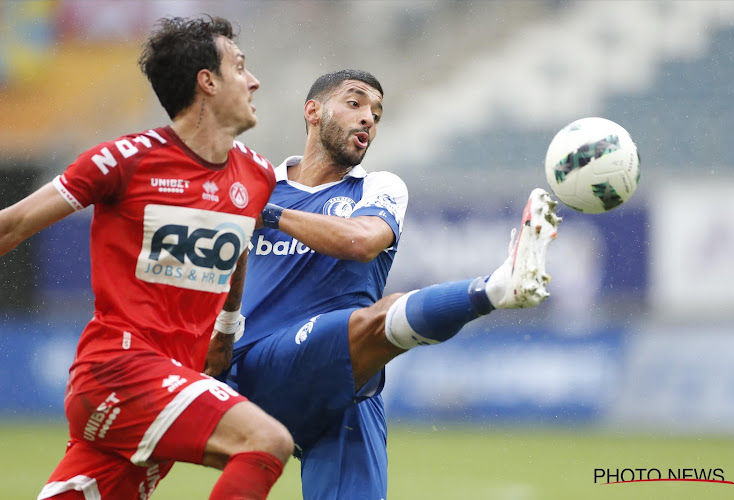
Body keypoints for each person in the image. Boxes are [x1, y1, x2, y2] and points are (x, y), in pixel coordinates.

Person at [204, 69, 562, 499]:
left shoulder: (378, 187)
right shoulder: (258, 183)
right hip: (258, 368)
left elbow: (362, 241)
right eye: (355, 103)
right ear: (313, 111)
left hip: (345, 385)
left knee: (366, 339)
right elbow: (219, 269)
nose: (368, 118)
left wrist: (271, 214)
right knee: (374, 319)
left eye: (377, 112)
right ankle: (497, 288)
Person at [0, 16, 294, 500]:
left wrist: (226, 327)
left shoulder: (257, 174)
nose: (253, 80)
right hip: (120, 368)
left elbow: (237, 242)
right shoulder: (123, 160)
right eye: (240, 67)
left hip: (176, 378)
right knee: (266, 441)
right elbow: (11, 224)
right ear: (207, 81)